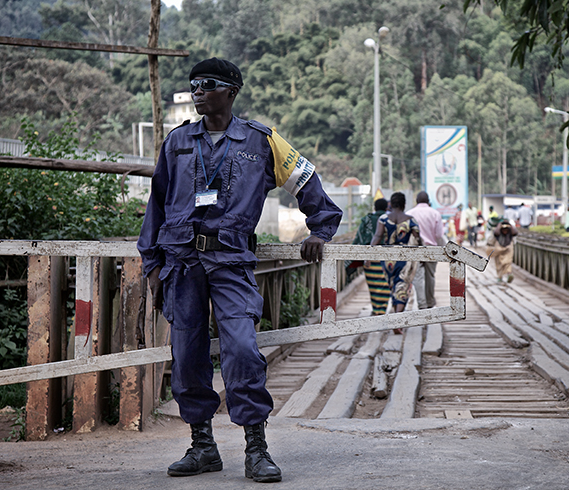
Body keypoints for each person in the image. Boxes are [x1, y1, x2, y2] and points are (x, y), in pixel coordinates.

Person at [137, 58, 342, 483]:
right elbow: (155, 207)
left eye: (207, 85)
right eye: (193, 84)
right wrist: (153, 264)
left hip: (231, 263)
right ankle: (202, 447)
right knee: (188, 355)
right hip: (181, 264)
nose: (197, 91)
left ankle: (256, 448)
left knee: (243, 350)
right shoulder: (176, 142)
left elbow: (306, 181)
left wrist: (319, 230)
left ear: (230, 92)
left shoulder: (260, 140)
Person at [367, 192, 421, 334]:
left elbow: (377, 236)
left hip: (387, 259)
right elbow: (418, 238)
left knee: (393, 285)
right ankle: (397, 321)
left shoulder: (383, 218)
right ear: (404, 204)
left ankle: (396, 319)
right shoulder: (411, 220)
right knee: (402, 287)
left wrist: (368, 255)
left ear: (391, 204)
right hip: (405, 259)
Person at [352, 198, 391, 316]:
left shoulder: (367, 220)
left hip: (369, 259)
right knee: (385, 284)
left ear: (374, 208)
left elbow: (359, 238)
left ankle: (375, 309)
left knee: (373, 285)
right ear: (386, 208)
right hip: (387, 258)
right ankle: (382, 310)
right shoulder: (390, 220)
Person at [407, 191, 445, 309]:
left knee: (417, 276)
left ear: (416, 201)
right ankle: (429, 302)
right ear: (428, 201)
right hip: (431, 249)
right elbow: (439, 235)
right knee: (430, 276)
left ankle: (421, 303)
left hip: (414, 249)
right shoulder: (435, 214)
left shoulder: (409, 214)